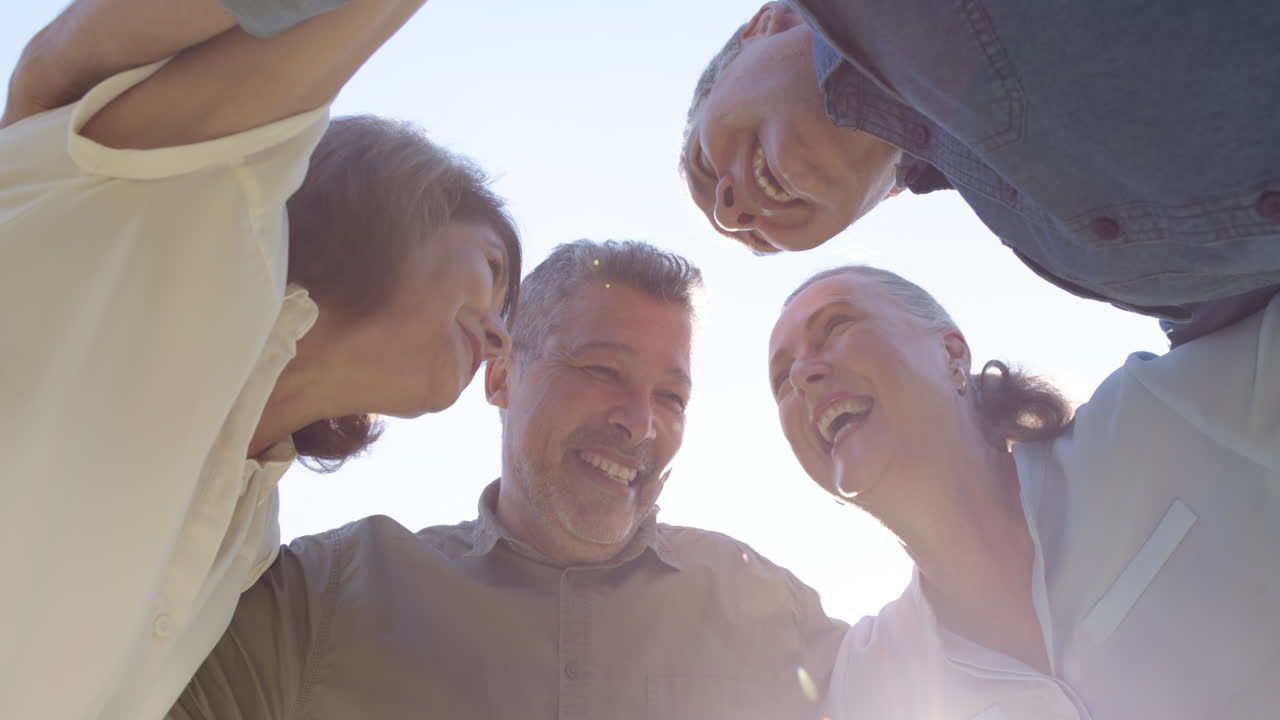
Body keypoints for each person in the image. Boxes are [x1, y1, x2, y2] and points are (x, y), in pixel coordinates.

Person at [1, 1, 522, 718]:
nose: (500, 336)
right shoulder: (192, 203)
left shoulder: (249, 546)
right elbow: (60, 54)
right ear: (398, 199)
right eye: (491, 270)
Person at [166, 239, 849, 720]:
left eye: (671, 397)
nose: (639, 423)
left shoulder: (763, 603)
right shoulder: (324, 596)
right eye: (602, 371)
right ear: (500, 376)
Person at [767, 265, 1280, 719]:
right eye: (781, 380)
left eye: (836, 326)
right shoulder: (867, 686)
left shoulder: (1166, 414)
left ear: (951, 353)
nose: (802, 377)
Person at [682, 1, 1280, 344]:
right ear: (884, 198)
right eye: (757, 238)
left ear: (768, 23)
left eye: (706, 165)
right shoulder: (1040, 241)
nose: (730, 213)